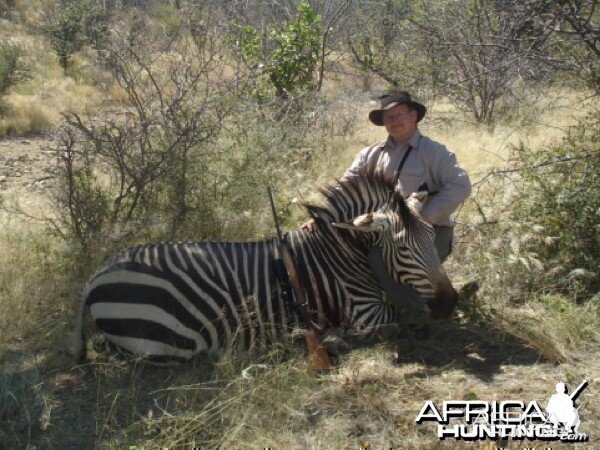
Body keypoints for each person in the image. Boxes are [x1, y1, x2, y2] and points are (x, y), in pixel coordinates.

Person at [303, 90, 472, 318]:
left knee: (377, 259)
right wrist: (320, 216)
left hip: (430, 232)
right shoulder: (369, 154)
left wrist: (423, 217)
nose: (394, 121)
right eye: (388, 118)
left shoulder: (435, 152)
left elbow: (461, 185)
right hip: (384, 233)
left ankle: (415, 316)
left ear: (413, 115)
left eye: (399, 115)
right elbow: (344, 187)